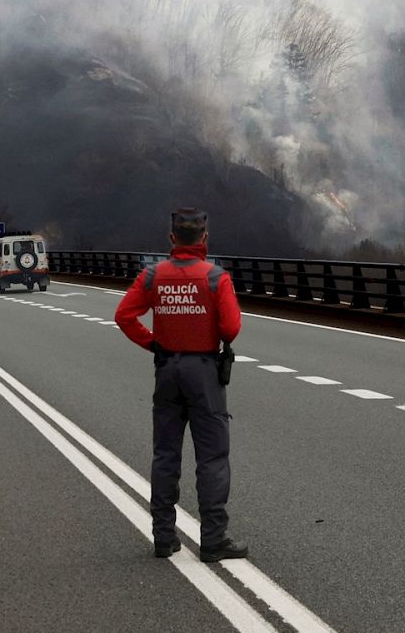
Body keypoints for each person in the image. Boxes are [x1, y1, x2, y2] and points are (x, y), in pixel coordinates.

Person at [114, 207, 246, 562]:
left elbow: (123, 316)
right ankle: (213, 539)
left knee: (166, 454)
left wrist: (153, 341)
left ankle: (163, 536)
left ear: (172, 238)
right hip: (204, 372)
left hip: (167, 369)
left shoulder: (152, 276)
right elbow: (231, 329)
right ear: (204, 238)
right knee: (213, 457)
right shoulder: (216, 278)